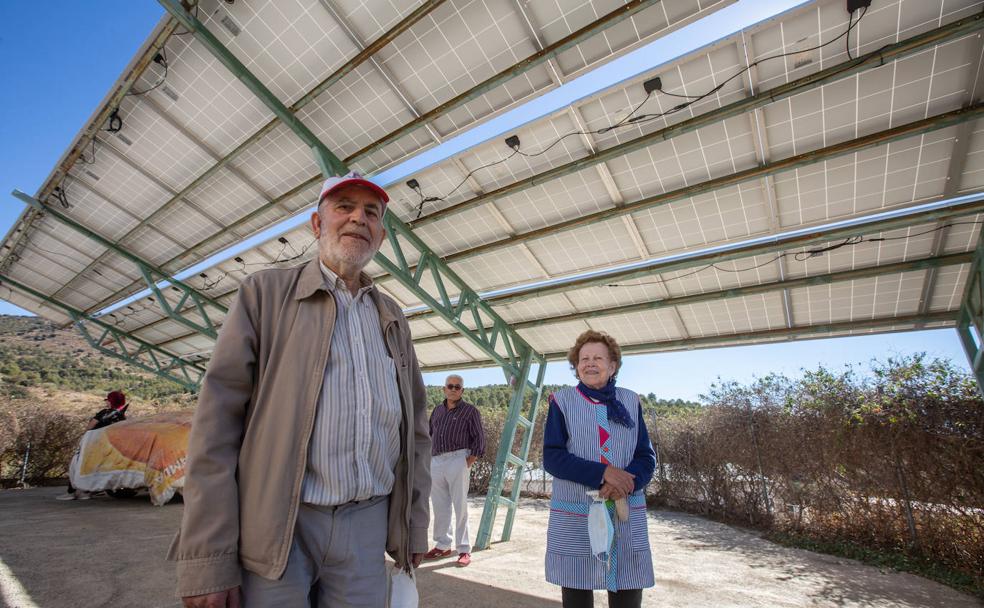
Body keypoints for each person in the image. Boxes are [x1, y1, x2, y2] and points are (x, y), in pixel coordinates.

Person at [167, 172, 432, 608]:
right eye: (343, 207)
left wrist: (413, 524)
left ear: (381, 235)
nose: (357, 219)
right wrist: (208, 559)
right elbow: (215, 431)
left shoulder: (392, 316)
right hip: (277, 525)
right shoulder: (263, 295)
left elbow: (415, 427)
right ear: (316, 224)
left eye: (371, 213)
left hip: (367, 524)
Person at [543, 330, 656, 608]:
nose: (590, 363)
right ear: (576, 366)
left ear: (612, 365)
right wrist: (604, 472)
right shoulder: (562, 402)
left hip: (624, 510)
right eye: (583, 359)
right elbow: (553, 457)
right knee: (577, 593)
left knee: (627, 591)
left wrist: (625, 482)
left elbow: (646, 456)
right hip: (576, 513)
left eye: (598, 358)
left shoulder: (630, 401)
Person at [423, 374, 485, 567]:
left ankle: (464, 549)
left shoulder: (470, 411)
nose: (453, 389)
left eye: (457, 387)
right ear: (444, 389)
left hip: (458, 459)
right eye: (450, 386)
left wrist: (468, 460)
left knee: (461, 506)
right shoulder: (437, 411)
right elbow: (429, 434)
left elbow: (479, 438)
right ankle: (442, 545)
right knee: (440, 506)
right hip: (436, 461)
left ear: (462, 391)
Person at [56, 390, 129, 501]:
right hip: (108, 447)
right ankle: (87, 492)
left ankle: (72, 492)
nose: (106, 402)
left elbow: (90, 427)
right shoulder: (122, 417)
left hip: (93, 444)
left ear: (111, 401)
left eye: (108, 400)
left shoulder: (104, 413)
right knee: (95, 468)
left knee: (76, 465)